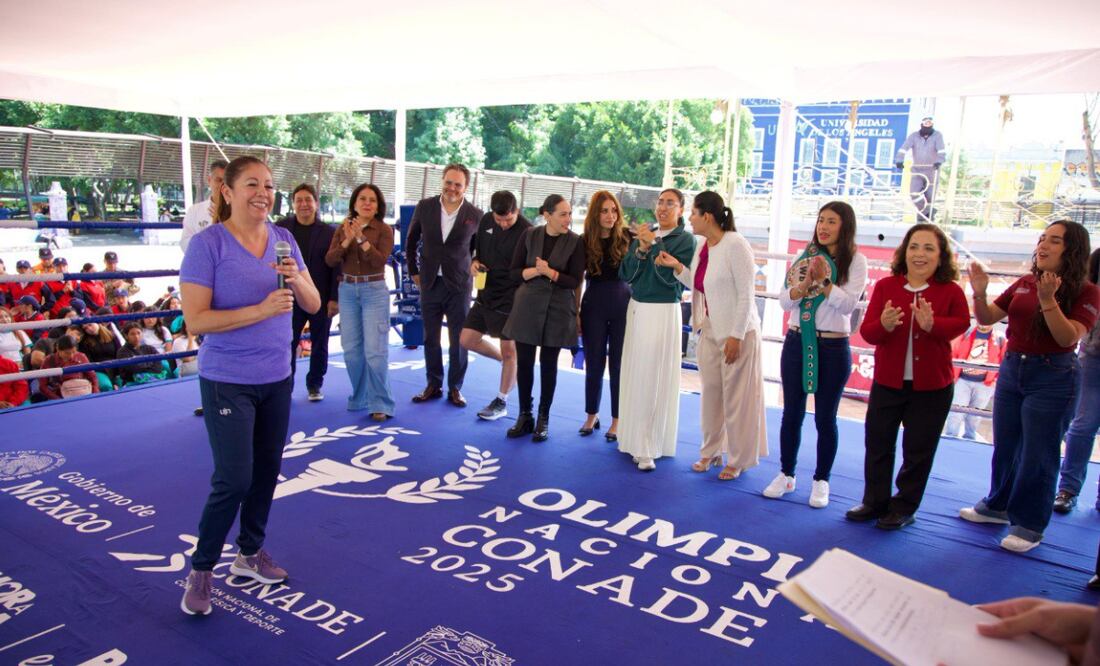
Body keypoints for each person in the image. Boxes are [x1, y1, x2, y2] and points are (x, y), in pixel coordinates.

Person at [178, 155, 320, 616]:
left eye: (269, 185)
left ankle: (249, 551)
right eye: (252, 184)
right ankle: (202, 569)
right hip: (227, 380)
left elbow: (315, 305)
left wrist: (296, 277)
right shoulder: (208, 245)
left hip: (277, 376)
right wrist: (260, 310)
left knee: (265, 472)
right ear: (228, 191)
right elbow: (196, 320)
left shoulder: (284, 240)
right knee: (234, 478)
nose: (263, 193)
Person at [960, 220, 1099, 552]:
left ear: (1072, 249)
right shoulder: (1025, 282)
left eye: (1054, 240)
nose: (1043, 245)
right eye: (1042, 239)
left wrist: (1048, 299)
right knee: (1006, 445)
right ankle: (998, 506)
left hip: (1054, 376)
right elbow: (987, 318)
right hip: (1013, 369)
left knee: (1039, 453)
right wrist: (979, 293)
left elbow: (1068, 337)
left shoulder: (1086, 291)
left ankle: (1029, 525)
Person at [846, 223, 969, 530]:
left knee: (918, 450)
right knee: (878, 443)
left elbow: (961, 323)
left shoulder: (951, 290)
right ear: (904, 252)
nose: (920, 254)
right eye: (914, 246)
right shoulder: (887, 287)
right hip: (888, 382)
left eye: (929, 248)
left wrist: (933, 325)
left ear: (941, 256)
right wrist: (885, 325)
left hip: (932, 387)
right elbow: (868, 332)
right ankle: (874, 501)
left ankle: (903, 506)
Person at [765, 201, 868, 507]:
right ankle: (786, 473)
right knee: (791, 413)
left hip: (832, 347)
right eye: (821, 220)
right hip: (797, 342)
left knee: (826, 417)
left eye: (831, 221)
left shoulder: (856, 261)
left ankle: (821, 479)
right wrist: (807, 282)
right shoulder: (806, 257)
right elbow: (785, 302)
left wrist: (824, 281)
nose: (823, 227)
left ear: (844, 226)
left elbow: (848, 305)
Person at [657, 191, 767, 480]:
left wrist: (736, 335)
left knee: (737, 399)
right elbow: (699, 283)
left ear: (707, 216)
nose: (689, 218)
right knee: (712, 395)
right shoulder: (703, 245)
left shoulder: (736, 244)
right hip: (711, 329)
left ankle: (739, 459)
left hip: (738, 333)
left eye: (693, 213)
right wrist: (676, 267)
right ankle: (710, 451)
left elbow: (746, 295)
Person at [617, 189, 697, 471]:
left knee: (653, 376)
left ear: (681, 209)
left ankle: (649, 444)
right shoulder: (646, 233)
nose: (663, 208)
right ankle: (631, 437)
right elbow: (626, 274)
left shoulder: (685, 240)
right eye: (660, 202)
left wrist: (654, 251)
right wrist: (640, 249)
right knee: (636, 372)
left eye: (670, 203)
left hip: (662, 310)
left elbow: (674, 281)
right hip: (637, 308)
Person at [500, 195, 585, 441]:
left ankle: (543, 417)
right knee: (525, 362)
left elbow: (575, 280)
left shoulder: (575, 242)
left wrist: (551, 273)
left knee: (549, 365)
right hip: (527, 305)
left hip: (558, 308)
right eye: (562, 214)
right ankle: (524, 414)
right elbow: (514, 273)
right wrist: (535, 271)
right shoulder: (529, 235)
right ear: (547, 215)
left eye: (569, 214)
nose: (568, 219)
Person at [405, 163, 483, 407]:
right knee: (431, 337)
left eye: (458, 184)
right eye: (449, 182)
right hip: (429, 282)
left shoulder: (476, 215)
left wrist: (477, 271)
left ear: (465, 187)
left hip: (459, 285)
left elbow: (479, 251)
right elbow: (410, 242)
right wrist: (414, 272)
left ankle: (455, 388)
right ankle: (433, 384)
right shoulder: (425, 207)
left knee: (459, 339)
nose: (452, 188)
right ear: (442, 181)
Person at [325, 183, 396, 421]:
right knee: (352, 350)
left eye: (372, 200)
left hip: (374, 290)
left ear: (378, 207)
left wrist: (362, 238)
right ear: (354, 203)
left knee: (375, 351)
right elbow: (330, 259)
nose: (367, 203)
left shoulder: (384, 230)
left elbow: (379, 261)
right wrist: (347, 239)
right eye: (362, 199)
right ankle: (361, 396)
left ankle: (381, 403)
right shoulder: (341, 228)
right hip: (347, 290)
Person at [460, 190, 532, 421]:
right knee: (466, 339)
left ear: (517, 212)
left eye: (508, 219)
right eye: (498, 219)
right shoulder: (486, 221)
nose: (502, 224)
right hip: (485, 292)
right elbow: (476, 253)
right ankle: (507, 364)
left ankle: (501, 401)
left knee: (510, 350)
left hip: (512, 298)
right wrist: (474, 263)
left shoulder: (528, 231)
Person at [577, 190, 632, 441]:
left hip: (623, 305)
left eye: (614, 210)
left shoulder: (628, 237)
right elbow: (578, 280)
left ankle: (618, 420)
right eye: (605, 211)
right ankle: (591, 414)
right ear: (595, 214)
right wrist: (576, 311)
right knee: (594, 362)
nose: (610, 216)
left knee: (619, 365)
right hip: (593, 305)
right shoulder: (584, 240)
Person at [279, 183, 340, 402]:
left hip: (321, 298)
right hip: (289, 297)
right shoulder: (280, 229)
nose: (304, 204)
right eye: (299, 200)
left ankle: (315, 384)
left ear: (315, 203)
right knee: (287, 342)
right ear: (293, 203)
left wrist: (334, 298)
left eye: (308, 199)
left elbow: (336, 267)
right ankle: (285, 386)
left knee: (320, 343)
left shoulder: (329, 232)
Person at [1054, 248, 1100, 514]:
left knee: (1082, 426)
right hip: (1093, 357)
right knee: (1083, 426)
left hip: (1090, 353)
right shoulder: (1095, 260)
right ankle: (1068, 489)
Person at [943, 323, 1005, 442]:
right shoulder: (965, 333)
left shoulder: (1000, 338)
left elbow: (1003, 359)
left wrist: (995, 380)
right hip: (962, 380)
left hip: (985, 383)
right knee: (956, 412)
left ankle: (970, 439)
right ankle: (950, 437)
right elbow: (953, 351)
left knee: (975, 415)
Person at [895, 116, 946, 221]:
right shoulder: (914, 136)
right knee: (914, 192)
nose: (927, 125)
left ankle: (925, 216)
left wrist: (939, 162)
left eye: (929, 124)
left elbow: (941, 151)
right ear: (921, 124)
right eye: (925, 123)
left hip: (932, 170)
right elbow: (904, 148)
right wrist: (899, 160)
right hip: (917, 170)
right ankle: (925, 211)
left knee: (930, 196)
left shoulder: (937, 136)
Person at [180, 159, 228, 254]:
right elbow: (185, 244)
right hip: (203, 264)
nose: (223, 185)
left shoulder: (240, 211)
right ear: (209, 180)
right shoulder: (195, 211)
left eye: (227, 181)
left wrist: (225, 221)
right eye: (219, 180)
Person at [40, 334, 98, 400]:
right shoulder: (49, 360)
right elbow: (42, 386)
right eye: (67, 353)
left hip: (83, 393)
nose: (71, 356)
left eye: (74, 352)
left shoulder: (81, 356)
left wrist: (94, 394)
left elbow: (93, 376)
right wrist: (57, 399)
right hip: (60, 395)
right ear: (58, 349)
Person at [78, 318, 121, 391]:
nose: (89, 329)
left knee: (122, 383)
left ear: (97, 322)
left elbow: (120, 353)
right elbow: (89, 361)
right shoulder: (84, 343)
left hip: (116, 367)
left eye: (90, 325)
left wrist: (118, 373)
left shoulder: (112, 335)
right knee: (106, 386)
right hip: (99, 370)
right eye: (85, 328)